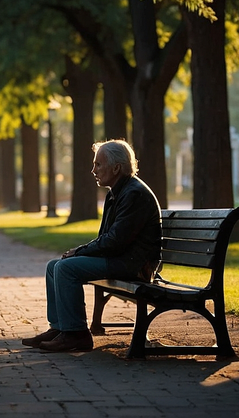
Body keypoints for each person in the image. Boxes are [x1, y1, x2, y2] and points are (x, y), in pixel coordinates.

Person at [22, 139, 162, 352]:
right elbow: (107, 238)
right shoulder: (117, 192)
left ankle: (76, 335)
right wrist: (80, 252)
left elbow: (114, 242)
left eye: (98, 165)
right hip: (122, 258)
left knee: (65, 268)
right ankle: (60, 328)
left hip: (134, 265)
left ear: (116, 168)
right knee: (54, 266)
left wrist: (79, 252)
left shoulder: (134, 193)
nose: (93, 170)